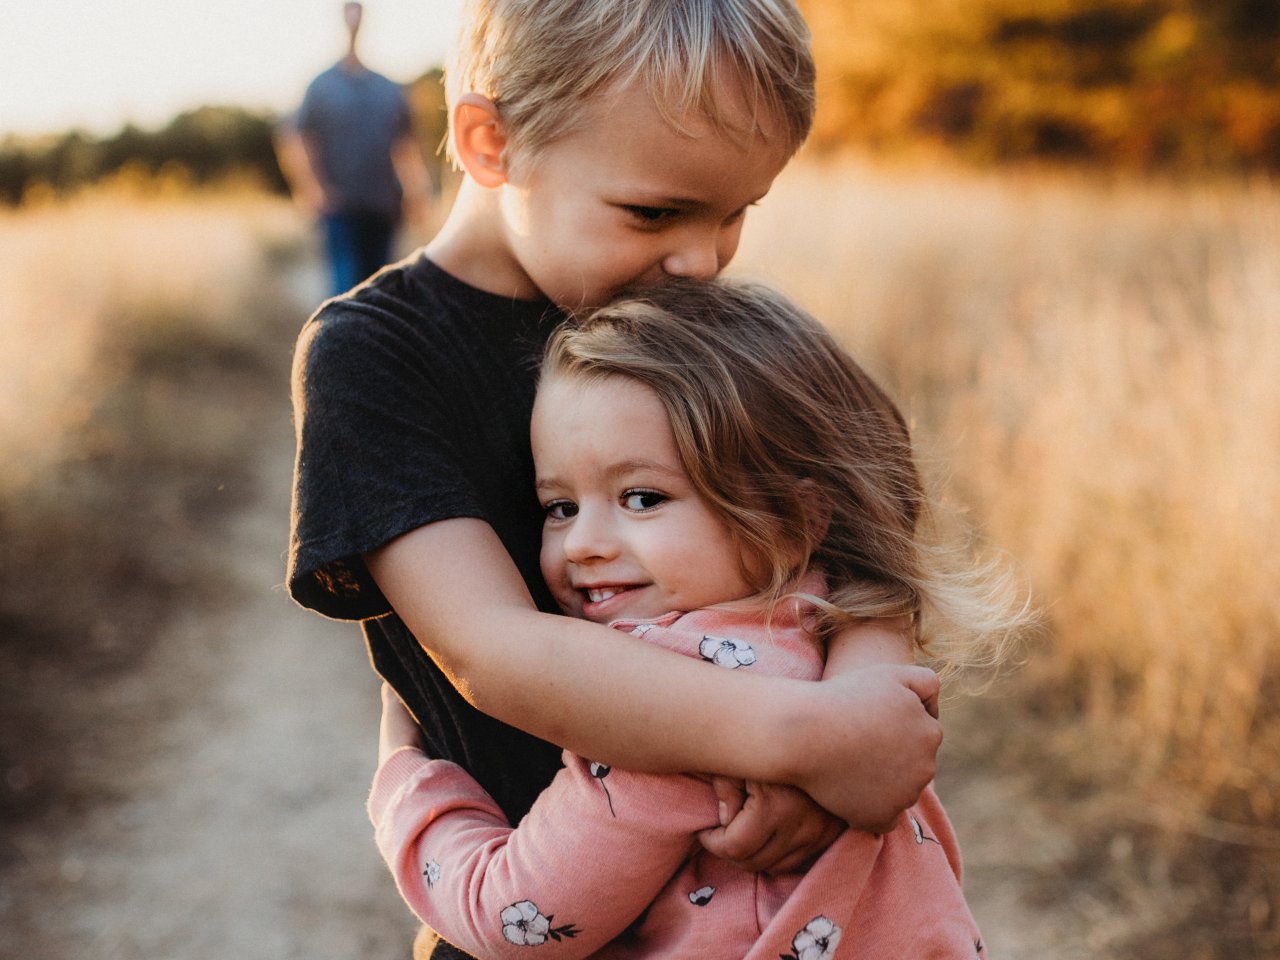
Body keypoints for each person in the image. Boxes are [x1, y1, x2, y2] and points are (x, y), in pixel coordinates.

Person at [287, 3, 944, 957]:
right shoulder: (378, 356)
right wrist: (809, 740)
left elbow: (867, 532)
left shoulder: (686, 320)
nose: (701, 260)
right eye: (655, 212)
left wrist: (855, 717)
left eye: (737, 213)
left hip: (787, 914)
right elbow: (494, 650)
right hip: (543, 907)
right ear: (490, 142)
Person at [367, 279, 1027, 958]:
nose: (583, 543)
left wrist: (406, 781)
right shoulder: (835, 632)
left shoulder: (671, 710)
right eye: (560, 507)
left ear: (796, 518)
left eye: (643, 498)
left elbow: (510, 917)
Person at [276, 1, 430, 295]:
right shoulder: (321, 86)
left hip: (383, 205)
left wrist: (416, 194)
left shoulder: (387, 88)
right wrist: (313, 189)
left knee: (379, 290)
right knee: (346, 290)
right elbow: (297, 138)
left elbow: (406, 146)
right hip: (340, 209)